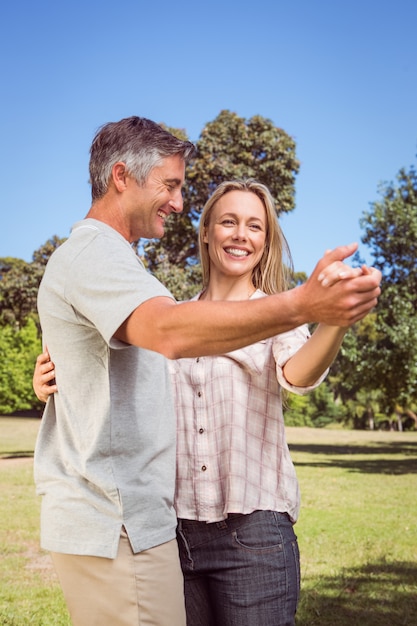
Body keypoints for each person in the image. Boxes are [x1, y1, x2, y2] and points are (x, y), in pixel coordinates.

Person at [33, 115, 381, 626]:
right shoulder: (170, 310)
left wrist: (330, 319)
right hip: (174, 529)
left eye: (255, 225)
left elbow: (298, 374)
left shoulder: (260, 311)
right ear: (207, 232)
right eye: (227, 220)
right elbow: (147, 350)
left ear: (267, 240)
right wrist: (57, 376)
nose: (240, 234)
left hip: (252, 531)